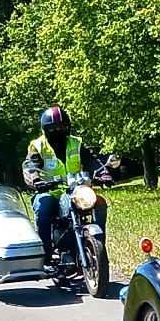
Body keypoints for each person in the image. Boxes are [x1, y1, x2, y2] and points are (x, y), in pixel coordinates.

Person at [22, 105, 107, 267]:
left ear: (68, 127)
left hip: (75, 191)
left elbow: (91, 160)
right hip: (48, 191)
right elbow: (29, 166)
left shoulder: (76, 143)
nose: (58, 130)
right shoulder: (38, 146)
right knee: (44, 207)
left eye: (62, 127)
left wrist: (103, 173)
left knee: (99, 202)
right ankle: (46, 254)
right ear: (46, 130)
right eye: (53, 128)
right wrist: (35, 180)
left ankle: (98, 242)